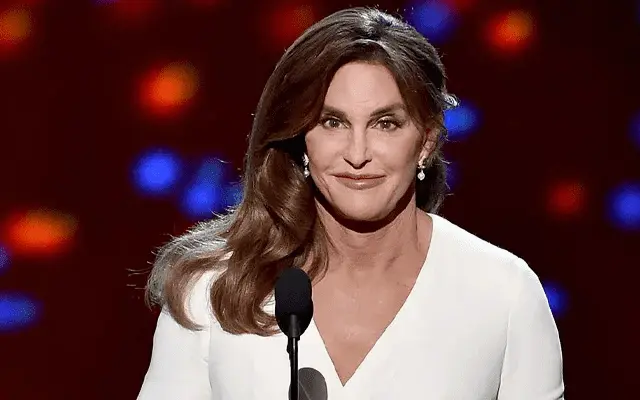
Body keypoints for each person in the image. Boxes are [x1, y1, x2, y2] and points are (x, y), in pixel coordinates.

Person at [137, 6, 564, 400]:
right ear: (301, 138)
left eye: (385, 123)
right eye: (332, 122)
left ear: (426, 141)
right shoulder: (212, 290)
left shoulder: (503, 294)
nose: (357, 154)